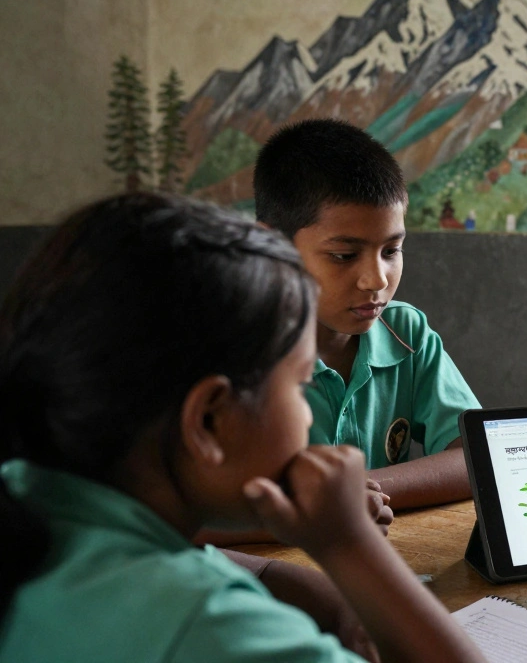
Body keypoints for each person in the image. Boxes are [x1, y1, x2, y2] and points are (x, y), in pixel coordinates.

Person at [0, 192, 482, 662]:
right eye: (298, 386)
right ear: (208, 421)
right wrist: (348, 545)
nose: (308, 414)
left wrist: (319, 594)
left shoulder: (30, 504)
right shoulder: (213, 626)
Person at [254, 119, 478, 511]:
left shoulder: (406, 332)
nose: (376, 280)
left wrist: (351, 493)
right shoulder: (236, 351)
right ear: (273, 245)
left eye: (391, 251)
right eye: (344, 255)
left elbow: (476, 457)